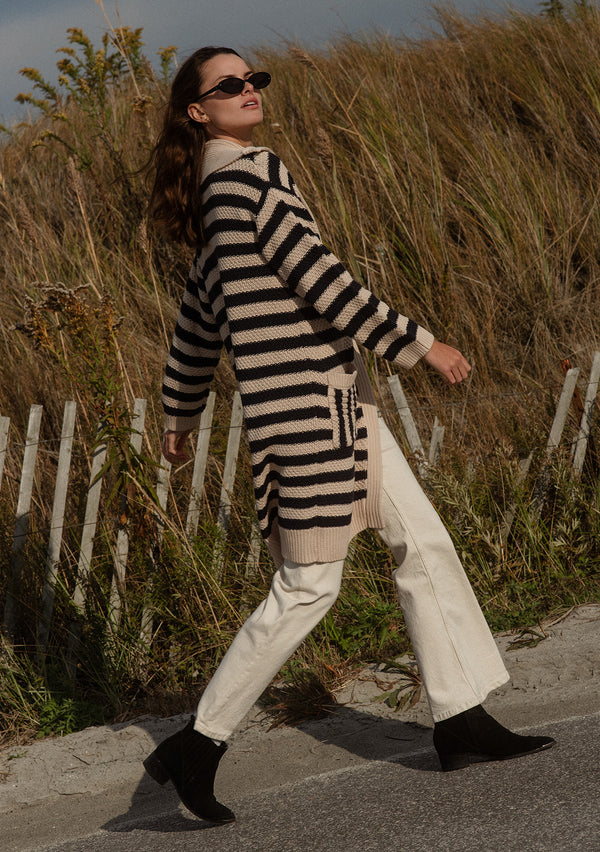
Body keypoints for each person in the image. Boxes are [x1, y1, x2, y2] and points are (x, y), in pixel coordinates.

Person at [143, 46, 555, 824]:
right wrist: (419, 342)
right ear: (198, 111)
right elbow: (321, 278)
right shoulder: (248, 177)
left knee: (422, 545)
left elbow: (199, 317)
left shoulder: (217, 195)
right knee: (307, 587)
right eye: (228, 86)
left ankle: (460, 716)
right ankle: (198, 743)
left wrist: (179, 411)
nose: (248, 91)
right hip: (312, 415)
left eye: (252, 79)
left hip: (340, 407)